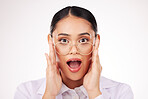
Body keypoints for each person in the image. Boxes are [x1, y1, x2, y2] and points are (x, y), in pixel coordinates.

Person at [14, 6, 134, 99]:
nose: (74, 50)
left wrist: (94, 93)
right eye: (64, 40)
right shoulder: (27, 92)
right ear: (51, 42)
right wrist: (49, 94)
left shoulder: (121, 92)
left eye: (83, 40)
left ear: (96, 42)